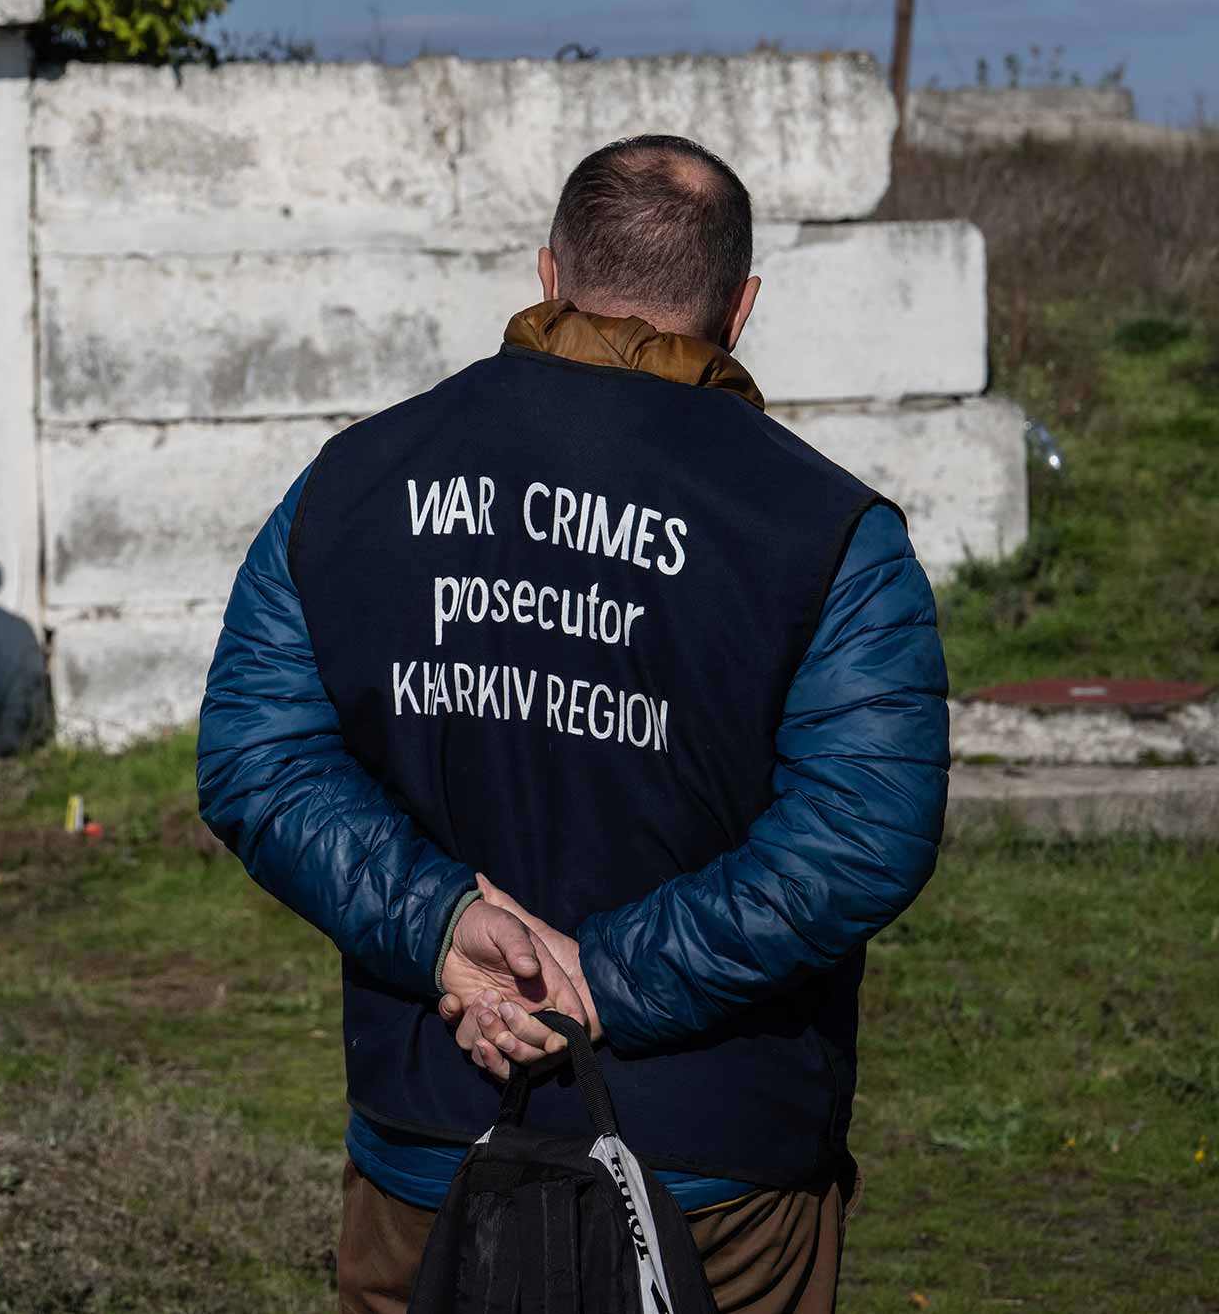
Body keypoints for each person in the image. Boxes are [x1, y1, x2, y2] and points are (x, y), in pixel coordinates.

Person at [195, 134, 950, 1314]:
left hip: (430, 1136)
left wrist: (441, 927)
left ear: (546, 272)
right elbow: (863, 829)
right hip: (718, 1173)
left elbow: (258, 754)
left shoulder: (349, 481)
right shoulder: (829, 531)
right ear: (740, 307)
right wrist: (601, 977)